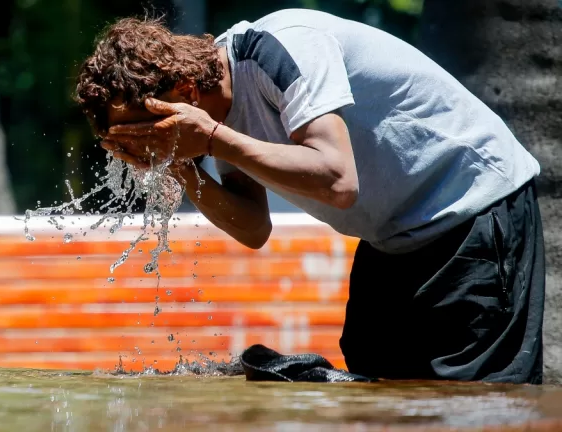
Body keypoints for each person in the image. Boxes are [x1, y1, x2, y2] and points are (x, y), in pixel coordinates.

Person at [73, 9, 545, 384]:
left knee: (475, 403)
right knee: (377, 385)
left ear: (185, 90)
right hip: (394, 238)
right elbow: (252, 227)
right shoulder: (219, 110)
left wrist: (213, 139)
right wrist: (179, 164)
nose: (150, 146)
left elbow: (338, 180)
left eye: (149, 131)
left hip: (473, 209)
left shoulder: (281, 48)